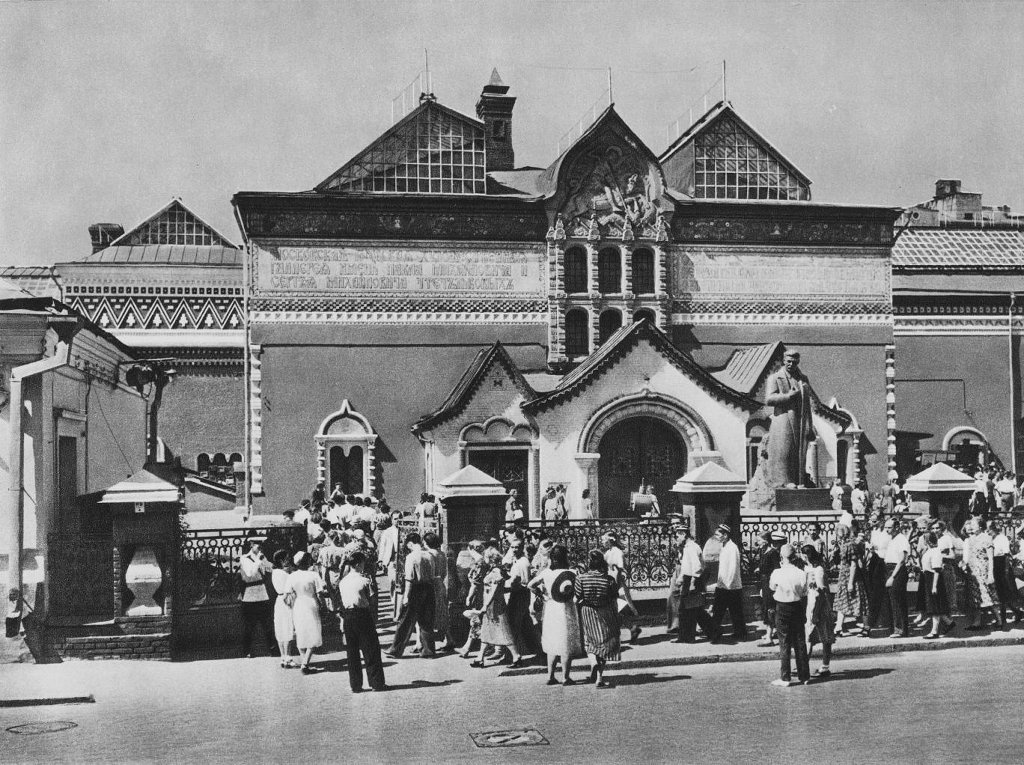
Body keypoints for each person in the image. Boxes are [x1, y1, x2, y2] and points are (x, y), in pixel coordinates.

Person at [529, 545, 584, 685]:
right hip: (567, 608)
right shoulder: (572, 572)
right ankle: (565, 677)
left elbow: (530, 585)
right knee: (566, 642)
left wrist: (542, 594)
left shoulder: (546, 573)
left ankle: (550, 676)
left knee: (552, 643)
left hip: (551, 607)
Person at [764, 350, 816, 488]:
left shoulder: (803, 379)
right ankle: (784, 481)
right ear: (783, 361)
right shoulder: (775, 378)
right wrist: (788, 396)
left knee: (799, 451)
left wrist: (810, 426)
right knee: (784, 450)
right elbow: (769, 399)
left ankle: (799, 480)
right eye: (789, 361)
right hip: (783, 418)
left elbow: (808, 404)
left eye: (794, 362)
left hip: (800, 419)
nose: (791, 364)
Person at [338, 550, 386, 693]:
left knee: (352, 652)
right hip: (362, 615)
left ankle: (356, 685)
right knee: (370, 649)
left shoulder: (343, 581)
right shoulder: (365, 580)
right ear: (358, 564)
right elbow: (372, 600)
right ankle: (376, 683)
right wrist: (374, 618)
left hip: (348, 616)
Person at [385, 532, 436, 658]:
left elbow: (409, 578)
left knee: (405, 621)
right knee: (426, 621)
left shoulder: (411, 557)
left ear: (410, 544)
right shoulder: (429, 556)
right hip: (429, 588)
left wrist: (406, 596)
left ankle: (396, 649)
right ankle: (428, 650)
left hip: (415, 589)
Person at [575, 549, 621, 688]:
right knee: (604, 643)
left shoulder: (581, 578)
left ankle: (593, 662)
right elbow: (614, 597)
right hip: (605, 611)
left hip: (587, 611)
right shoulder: (608, 579)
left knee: (589, 641)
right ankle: (599, 678)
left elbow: (578, 596)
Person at [473, 549, 523, 669]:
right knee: (487, 630)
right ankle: (479, 657)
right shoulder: (496, 570)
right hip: (494, 604)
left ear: (489, 559)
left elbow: (494, 590)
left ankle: (516, 656)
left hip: (494, 605)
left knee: (503, 630)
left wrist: (486, 605)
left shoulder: (495, 571)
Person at [769, 544, 810, 687]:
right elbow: (804, 592)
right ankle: (804, 675)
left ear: (782, 557)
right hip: (797, 606)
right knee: (800, 641)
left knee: (784, 641)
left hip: (782, 606)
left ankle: (785, 677)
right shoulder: (801, 573)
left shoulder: (777, 573)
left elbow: (772, 587)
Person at [669, 522, 717, 643]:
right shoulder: (687, 547)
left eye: (677, 536)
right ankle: (710, 632)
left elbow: (697, 567)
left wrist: (692, 583)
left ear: (683, 534)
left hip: (691, 580)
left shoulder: (691, 548)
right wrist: (680, 578)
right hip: (688, 579)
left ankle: (688, 637)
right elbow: (686, 566)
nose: (676, 539)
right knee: (690, 609)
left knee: (689, 610)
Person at [284, 551, 326, 674]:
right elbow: (320, 593)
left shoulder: (292, 576)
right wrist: (323, 605)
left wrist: (290, 605)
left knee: (301, 632)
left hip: (298, 605)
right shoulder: (313, 575)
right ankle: (305, 663)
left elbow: (286, 595)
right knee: (314, 631)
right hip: (311, 603)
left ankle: (304, 662)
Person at [238, 539, 277, 659]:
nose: (259, 546)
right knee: (249, 625)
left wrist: (268, 564)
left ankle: (273, 648)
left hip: (262, 593)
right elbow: (250, 573)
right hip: (250, 594)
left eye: (260, 544)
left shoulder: (261, 557)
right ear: (251, 545)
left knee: (267, 624)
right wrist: (258, 561)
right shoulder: (245, 558)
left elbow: (270, 568)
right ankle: (247, 650)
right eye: (256, 544)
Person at [962, 519, 1002, 630]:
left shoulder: (987, 538)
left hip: (983, 571)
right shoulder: (970, 539)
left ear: (980, 526)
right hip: (973, 572)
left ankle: (999, 620)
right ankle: (977, 622)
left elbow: (990, 558)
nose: (971, 527)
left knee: (987, 595)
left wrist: (990, 574)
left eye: (974, 525)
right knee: (975, 597)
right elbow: (969, 556)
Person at [801, 544, 835, 678]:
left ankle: (824, 666)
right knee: (809, 635)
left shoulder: (818, 569)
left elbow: (822, 591)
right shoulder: (806, 568)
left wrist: (816, 611)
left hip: (818, 606)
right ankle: (803, 664)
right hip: (810, 603)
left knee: (824, 636)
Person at [709, 524, 747, 641]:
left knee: (734, 612)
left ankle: (739, 633)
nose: (716, 537)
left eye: (718, 534)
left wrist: (727, 586)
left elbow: (733, 568)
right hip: (723, 585)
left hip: (730, 587)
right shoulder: (724, 546)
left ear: (725, 535)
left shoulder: (732, 548)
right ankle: (716, 633)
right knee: (720, 610)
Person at [602, 532, 641, 643]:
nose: (602, 542)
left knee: (618, 609)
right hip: (610, 583)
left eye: (604, 540)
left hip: (616, 584)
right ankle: (631, 628)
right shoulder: (608, 552)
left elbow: (620, 569)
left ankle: (617, 634)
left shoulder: (617, 552)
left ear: (610, 540)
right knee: (617, 610)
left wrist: (615, 584)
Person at [833, 523, 868, 637]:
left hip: (851, 577)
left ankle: (866, 627)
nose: (837, 535)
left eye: (838, 532)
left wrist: (850, 583)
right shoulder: (843, 544)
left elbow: (853, 565)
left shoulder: (850, 545)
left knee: (860, 601)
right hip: (844, 577)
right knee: (842, 602)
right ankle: (838, 627)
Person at [919, 532, 955, 639]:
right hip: (928, 578)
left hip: (934, 580)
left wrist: (934, 586)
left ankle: (934, 631)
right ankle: (949, 623)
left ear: (927, 541)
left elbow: (937, 570)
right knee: (935, 605)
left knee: (935, 606)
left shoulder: (936, 552)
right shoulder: (929, 551)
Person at [422, 531, 453, 652]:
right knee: (442, 612)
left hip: (432, 585)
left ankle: (424, 644)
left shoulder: (428, 554)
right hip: (440, 583)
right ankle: (448, 638)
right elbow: (444, 572)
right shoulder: (441, 554)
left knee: (429, 613)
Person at [990, 520, 1024, 623]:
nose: (988, 532)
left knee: (1004, 592)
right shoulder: (991, 538)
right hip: (994, 564)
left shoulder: (1002, 538)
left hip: (1002, 565)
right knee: (1000, 593)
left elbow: (1006, 554)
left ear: (994, 529)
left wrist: (1005, 570)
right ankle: (1016, 612)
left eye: (989, 530)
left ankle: (1005, 617)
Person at [884, 518, 912, 638]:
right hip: (889, 568)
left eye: (889, 528)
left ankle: (900, 630)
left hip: (897, 571)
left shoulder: (901, 539)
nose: (887, 530)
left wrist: (892, 577)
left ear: (896, 527)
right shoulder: (892, 539)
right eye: (886, 527)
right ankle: (895, 628)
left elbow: (901, 560)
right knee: (892, 601)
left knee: (897, 601)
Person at [271, 549, 296, 668]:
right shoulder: (286, 574)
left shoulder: (275, 572)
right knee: (287, 628)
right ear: (281, 560)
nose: (289, 560)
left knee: (280, 629)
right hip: (287, 599)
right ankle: (288, 657)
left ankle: (283, 657)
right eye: (286, 558)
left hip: (279, 600)